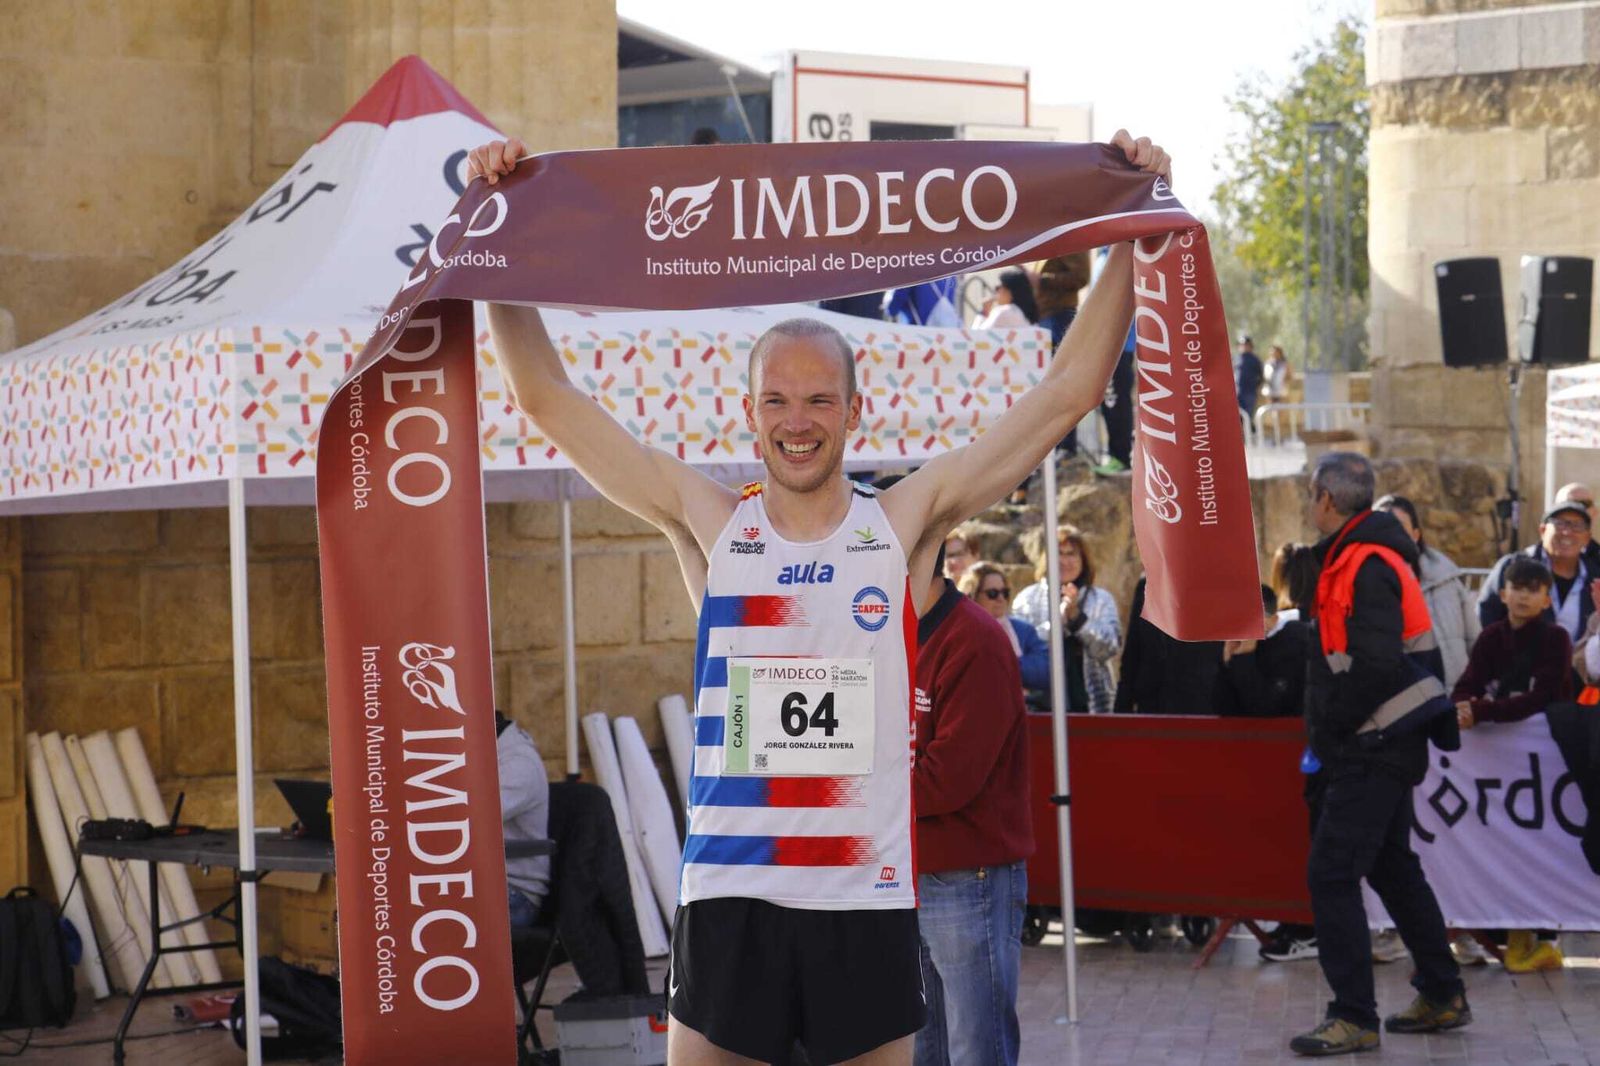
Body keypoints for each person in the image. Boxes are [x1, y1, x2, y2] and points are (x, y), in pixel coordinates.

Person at [470, 127, 1171, 1066]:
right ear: (749, 412)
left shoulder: (903, 523)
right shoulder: (711, 523)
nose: (797, 423)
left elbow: (1066, 392)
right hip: (731, 896)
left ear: (853, 411)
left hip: (860, 900)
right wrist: (500, 235)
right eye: (777, 401)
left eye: (817, 401)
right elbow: (547, 397)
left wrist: (1131, 227)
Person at [1290, 452, 1468, 1057]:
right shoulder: (1357, 556)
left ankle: (1353, 1015)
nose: (1308, 503)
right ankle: (1442, 992)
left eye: (1309, 493)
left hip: (1373, 742)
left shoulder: (1365, 563)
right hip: (1380, 741)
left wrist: (1333, 731)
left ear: (1326, 499)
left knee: (1331, 873)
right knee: (1392, 867)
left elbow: (1373, 665)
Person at [905, 529, 1033, 1066]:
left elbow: (951, 779)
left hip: (967, 875)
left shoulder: (974, 640)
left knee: (976, 1049)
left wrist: (851, 792)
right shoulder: (889, 630)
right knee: (922, 1048)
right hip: (908, 870)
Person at [1451, 557, 1573, 974]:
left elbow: (1541, 697)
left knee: (1545, 843)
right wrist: (1463, 708)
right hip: (1495, 765)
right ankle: (1490, 928)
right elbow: (1466, 684)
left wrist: (1481, 712)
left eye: (1533, 589)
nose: (1523, 596)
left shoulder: (1555, 639)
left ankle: (1546, 936)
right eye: (1516, 587)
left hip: (1546, 765)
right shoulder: (1490, 637)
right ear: (1502, 594)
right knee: (1496, 839)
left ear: (1546, 599)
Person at [1011, 526, 1121, 715]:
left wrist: (1078, 619)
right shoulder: (1027, 599)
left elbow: (1110, 648)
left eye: (1071, 554)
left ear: (1083, 560)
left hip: (1092, 704)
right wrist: (1059, 621)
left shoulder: (1101, 599)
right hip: (1040, 704)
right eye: (1058, 553)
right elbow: (1021, 649)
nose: (1064, 561)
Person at [1374, 494, 1481, 688]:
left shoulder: (1446, 578)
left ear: (1415, 535)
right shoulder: (1368, 585)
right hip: (1405, 698)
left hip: (1455, 695)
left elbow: (1474, 639)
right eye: (1383, 528)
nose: (1390, 535)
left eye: (1399, 527)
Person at [1477, 502, 1594, 648]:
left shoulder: (1595, 576)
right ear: (1543, 530)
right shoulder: (1512, 566)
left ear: (1587, 538)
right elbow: (1486, 615)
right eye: (1560, 524)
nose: (1567, 532)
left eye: (1577, 526)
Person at [1113, 575, 1221, 715]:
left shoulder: (1222, 590)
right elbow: (1132, 657)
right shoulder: (1148, 586)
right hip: (1153, 708)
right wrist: (1122, 713)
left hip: (1204, 708)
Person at [1212, 584, 1310, 718]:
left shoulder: (1294, 643)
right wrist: (1227, 665)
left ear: (1273, 620)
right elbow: (1222, 708)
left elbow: (1266, 708)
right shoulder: (1233, 645)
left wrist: (1244, 657)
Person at [958, 562, 1051, 692]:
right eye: (992, 593)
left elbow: (1044, 672)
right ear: (972, 596)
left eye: (1005, 592)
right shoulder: (959, 633)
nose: (1001, 598)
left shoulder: (1023, 630)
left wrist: (1000, 663)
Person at [497, 711, 552, 928]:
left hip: (514, 893)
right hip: (484, 881)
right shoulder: (494, 755)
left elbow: (466, 819)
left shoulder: (519, 765)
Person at [1554, 481, 1600, 573]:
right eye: (1567, 504)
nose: (1575, 510)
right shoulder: (1534, 558)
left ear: (1595, 512)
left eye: (1583, 504)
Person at [970, 269, 1038, 330]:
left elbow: (976, 336)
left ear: (1010, 292)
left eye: (998, 287)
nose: (996, 291)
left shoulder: (1004, 311)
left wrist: (984, 312)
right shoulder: (1025, 314)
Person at [1234, 333, 1263, 419]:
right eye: (1242, 345)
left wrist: (1256, 388)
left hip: (1249, 393)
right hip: (1237, 392)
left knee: (1247, 416)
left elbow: (1260, 376)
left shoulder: (1255, 360)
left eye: (1246, 345)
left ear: (1250, 346)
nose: (1244, 347)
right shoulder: (1236, 358)